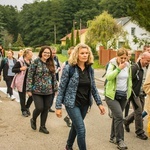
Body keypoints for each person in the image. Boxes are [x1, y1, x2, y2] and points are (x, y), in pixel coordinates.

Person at [55, 43, 105, 150]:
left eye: (87, 53)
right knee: (81, 129)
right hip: (72, 103)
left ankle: (68, 146)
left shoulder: (89, 69)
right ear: (76, 54)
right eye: (82, 53)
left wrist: (99, 103)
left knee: (76, 126)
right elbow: (62, 88)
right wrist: (58, 106)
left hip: (85, 103)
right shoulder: (69, 68)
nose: (85, 55)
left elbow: (93, 88)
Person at [105, 48, 132, 150]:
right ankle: (120, 140)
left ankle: (112, 137)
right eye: (122, 58)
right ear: (117, 56)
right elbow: (109, 77)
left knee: (117, 117)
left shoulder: (128, 66)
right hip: (111, 96)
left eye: (126, 57)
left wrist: (128, 94)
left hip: (123, 95)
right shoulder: (112, 64)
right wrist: (118, 69)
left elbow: (129, 81)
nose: (124, 60)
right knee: (120, 116)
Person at [26, 46, 58, 134]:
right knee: (39, 108)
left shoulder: (51, 63)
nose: (47, 54)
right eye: (45, 52)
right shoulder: (35, 62)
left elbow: (54, 77)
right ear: (41, 52)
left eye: (48, 53)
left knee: (46, 109)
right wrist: (28, 89)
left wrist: (55, 89)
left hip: (48, 90)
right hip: (37, 90)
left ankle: (42, 126)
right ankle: (33, 119)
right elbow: (30, 76)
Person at [124, 52, 150, 140]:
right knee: (139, 111)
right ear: (142, 58)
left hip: (141, 93)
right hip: (134, 94)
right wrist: (129, 93)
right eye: (147, 60)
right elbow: (128, 80)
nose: (148, 62)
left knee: (139, 110)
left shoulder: (144, 68)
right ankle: (139, 132)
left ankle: (126, 121)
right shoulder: (135, 67)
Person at [12, 48, 33, 117]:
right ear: (26, 54)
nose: (32, 54)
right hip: (21, 82)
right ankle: (23, 110)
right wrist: (20, 69)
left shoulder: (31, 61)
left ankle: (27, 107)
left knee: (32, 95)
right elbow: (13, 70)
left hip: (29, 82)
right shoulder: (20, 61)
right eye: (30, 53)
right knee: (22, 97)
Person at [62, 46, 74, 127]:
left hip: (77, 89)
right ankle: (70, 118)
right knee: (71, 105)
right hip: (68, 89)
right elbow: (63, 78)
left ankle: (68, 117)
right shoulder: (65, 64)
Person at [49, 46, 61, 113]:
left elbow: (58, 65)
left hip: (56, 77)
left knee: (54, 93)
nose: (54, 54)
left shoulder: (56, 58)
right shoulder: (48, 59)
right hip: (49, 78)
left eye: (55, 53)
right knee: (50, 93)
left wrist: (59, 68)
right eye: (53, 53)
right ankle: (47, 106)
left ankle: (49, 107)